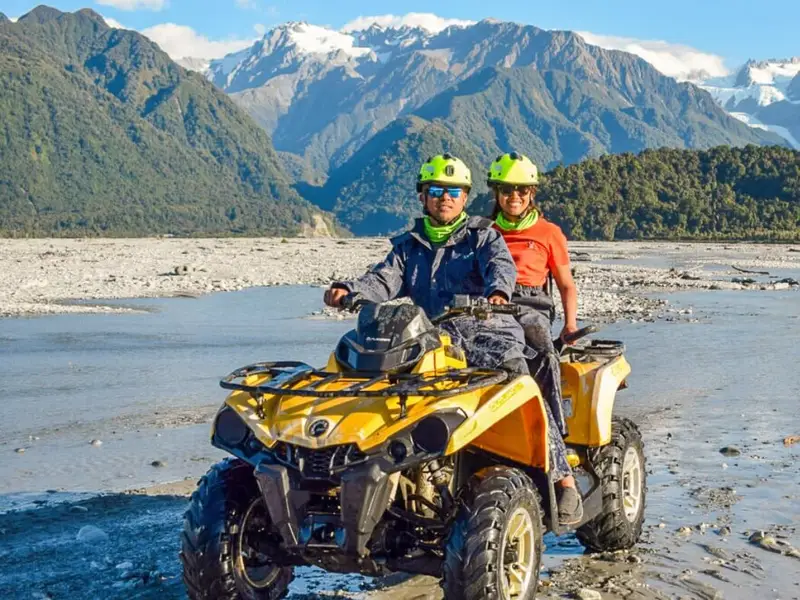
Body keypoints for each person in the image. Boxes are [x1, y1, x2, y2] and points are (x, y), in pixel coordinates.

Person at [323, 153, 530, 377]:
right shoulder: (408, 247)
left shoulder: (483, 237)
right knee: (360, 363)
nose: (445, 198)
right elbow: (383, 278)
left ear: (464, 198)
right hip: (428, 334)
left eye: (453, 191)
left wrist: (498, 292)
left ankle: (541, 411)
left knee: (513, 366)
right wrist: (350, 290)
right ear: (422, 197)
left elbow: (499, 265)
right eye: (435, 191)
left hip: (486, 329)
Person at [487, 151, 583, 525]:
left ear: (532, 193)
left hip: (530, 304)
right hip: (489, 304)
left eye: (522, 190)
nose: (515, 197)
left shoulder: (548, 233)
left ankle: (563, 474)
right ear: (497, 192)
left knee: (540, 350)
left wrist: (570, 325)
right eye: (508, 190)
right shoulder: (482, 231)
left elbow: (565, 284)